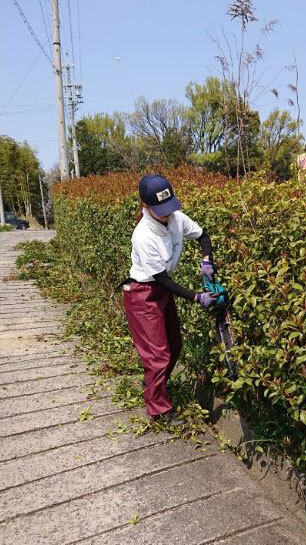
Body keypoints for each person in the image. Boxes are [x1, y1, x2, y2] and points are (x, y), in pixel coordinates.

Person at [123, 174, 219, 427]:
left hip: (162, 291)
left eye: (169, 209)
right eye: (160, 211)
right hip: (143, 293)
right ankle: (159, 411)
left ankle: (153, 384)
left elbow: (203, 236)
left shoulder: (176, 218)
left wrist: (206, 259)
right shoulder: (143, 235)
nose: (166, 215)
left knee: (174, 345)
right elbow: (162, 279)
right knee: (158, 355)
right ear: (145, 206)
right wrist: (197, 297)